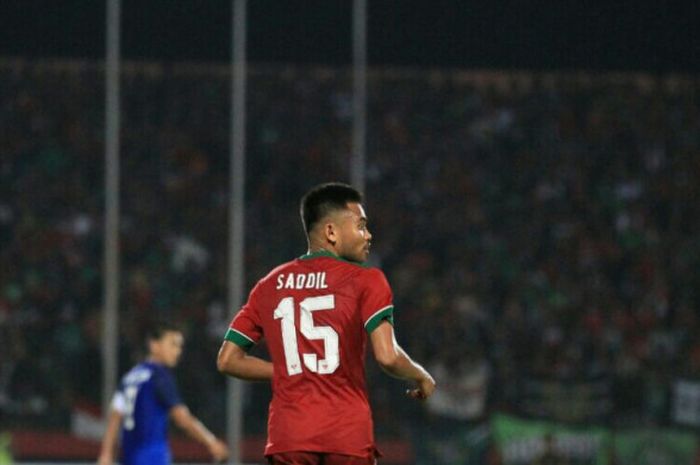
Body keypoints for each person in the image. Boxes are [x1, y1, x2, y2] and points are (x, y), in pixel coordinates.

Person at [217, 182, 436, 465]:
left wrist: (292, 371)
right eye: (361, 226)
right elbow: (387, 356)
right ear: (331, 232)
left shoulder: (269, 285)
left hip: (289, 436)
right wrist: (421, 375)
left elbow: (227, 360)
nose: (368, 236)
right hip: (346, 436)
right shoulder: (367, 280)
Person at [98, 323, 229, 465]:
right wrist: (211, 442)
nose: (177, 351)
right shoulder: (159, 375)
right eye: (172, 344)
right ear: (154, 345)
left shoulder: (131, 376)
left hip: (128, 457)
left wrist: (106, 455)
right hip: (152, 457)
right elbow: (181, 418)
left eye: (179, 346)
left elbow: (115, 416)